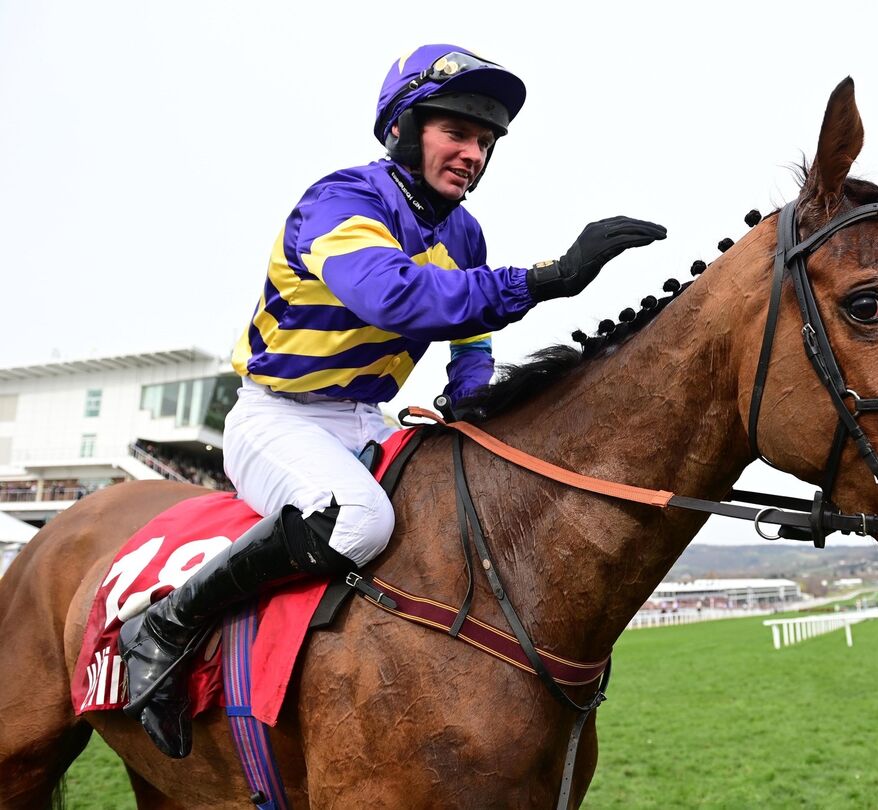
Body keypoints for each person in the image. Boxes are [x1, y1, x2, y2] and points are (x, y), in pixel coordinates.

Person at [118, 43, 666, 758]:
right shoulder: (341, 200)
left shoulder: (464, 233)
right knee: (361, 522)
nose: (473, 154)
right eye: (456, 132)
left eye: (486, 141)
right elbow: (394, 296)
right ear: (402, 129)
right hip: (278, 417)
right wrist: (546, 278)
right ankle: (164, 626)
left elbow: (469, 334)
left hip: (363, 419)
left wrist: (470, 400)